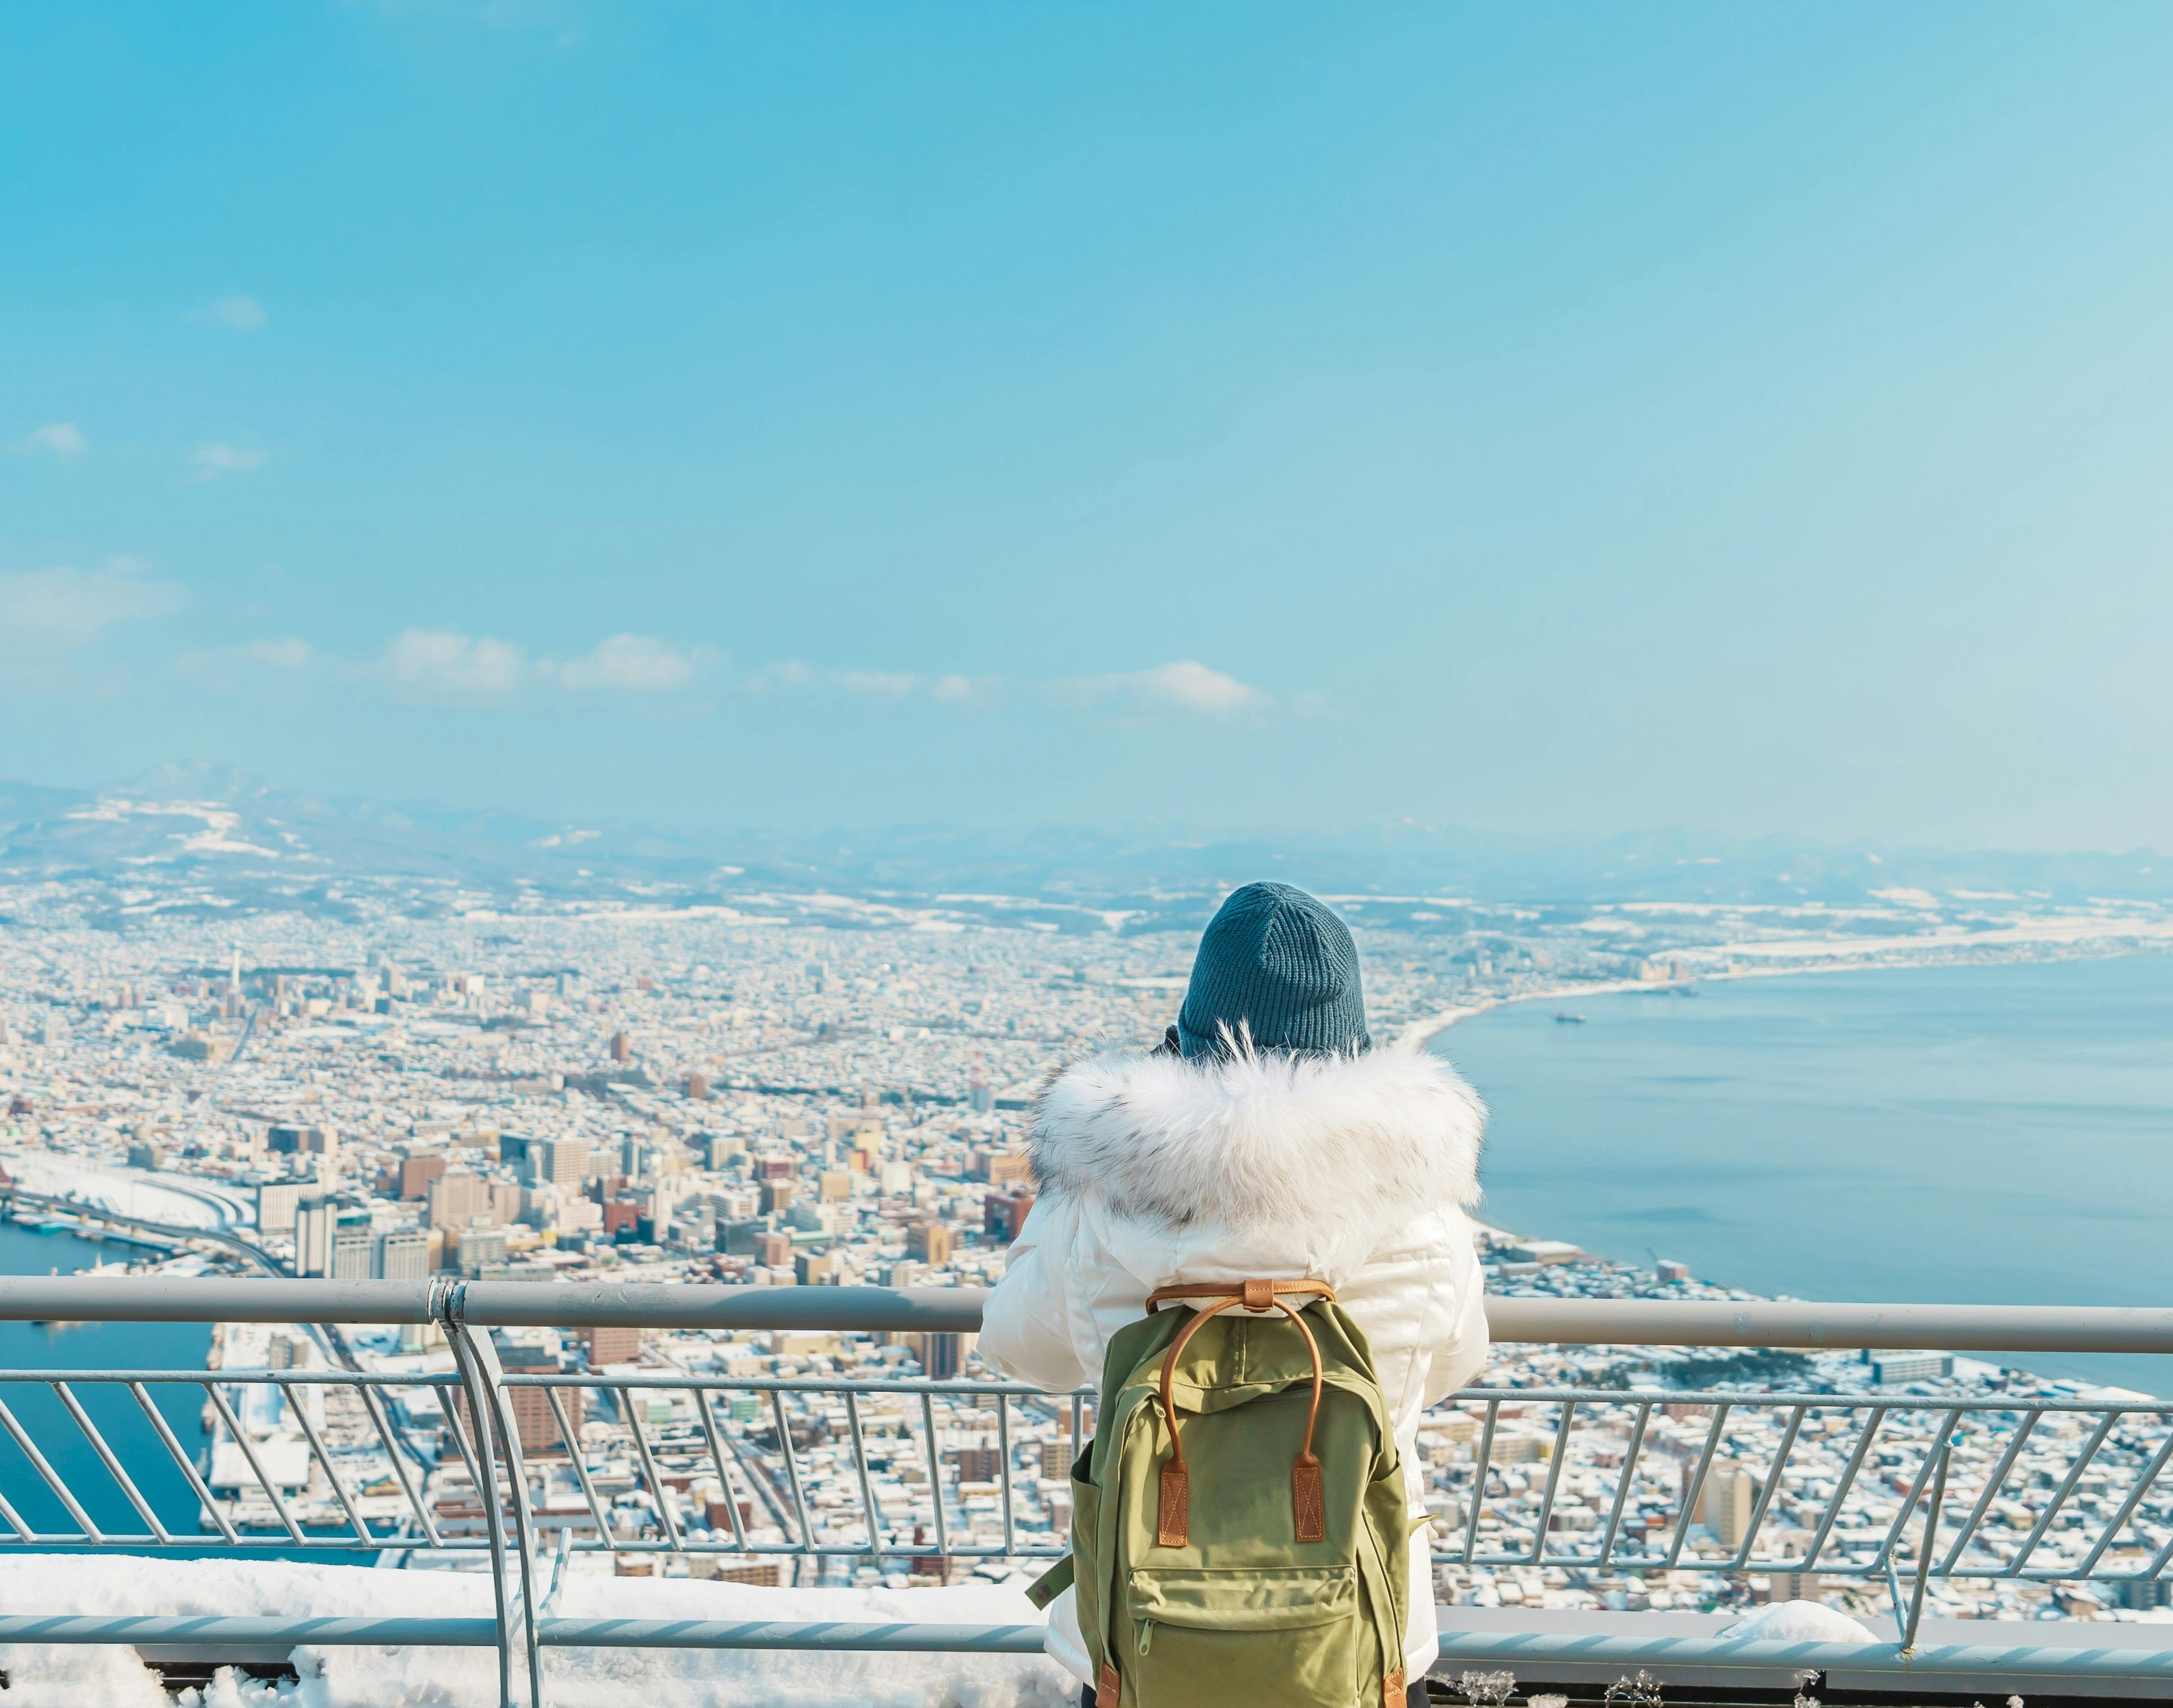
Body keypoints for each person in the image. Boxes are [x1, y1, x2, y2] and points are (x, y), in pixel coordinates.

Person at [979, 880, 1490, 1707]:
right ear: (1358, 1047)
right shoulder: (1420, 1208)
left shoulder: (1099, 1196)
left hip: (1137, 1640)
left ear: (1183, 1036)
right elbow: (1457, 1362)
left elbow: (1017, 1348)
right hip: (1360, 1627)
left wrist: (1056, 1214)